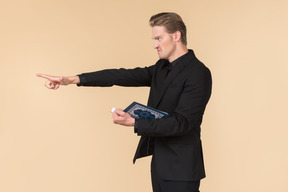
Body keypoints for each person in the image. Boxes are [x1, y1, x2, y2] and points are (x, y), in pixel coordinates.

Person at [37, 12, 212, 192]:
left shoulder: (198, 73)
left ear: (176, 35)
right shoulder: (161, 68)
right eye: (154, 39)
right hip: (160, 164)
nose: (155, 45)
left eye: (159, 38)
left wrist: (135, 122)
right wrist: (73, 79)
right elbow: (122, 75)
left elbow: (182, 123)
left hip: (182, 169)